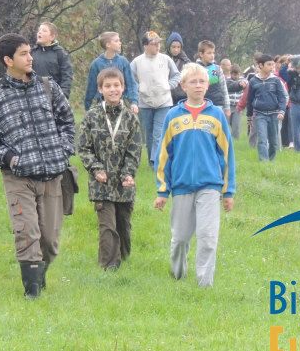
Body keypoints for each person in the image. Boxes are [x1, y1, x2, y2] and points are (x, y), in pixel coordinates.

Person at [0, 33, 75, 298]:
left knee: (50, 241)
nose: (30, 58)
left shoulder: (49, 88)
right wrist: (9, 157)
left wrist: (63, 150)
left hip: (53, 175)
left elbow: (67, 121)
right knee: (27, 232)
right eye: (23, 54)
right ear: (8, 61)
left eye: (30, 52)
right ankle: (32, 292)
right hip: (19, 179)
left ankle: (39, 274)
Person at [154, 63, 235, 288]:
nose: (198, 85)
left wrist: (228, 191)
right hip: (181, 186)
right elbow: (163, 155)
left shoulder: (217, 116)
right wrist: (162, 190)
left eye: (202, 81)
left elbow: (227, 155)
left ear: (207, 85)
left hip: (210, 185)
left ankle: (204, 285)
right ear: (183, 86)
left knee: (208, 238)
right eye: (193, 82)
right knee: (180, 238)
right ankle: (178, 276)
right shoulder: (173, 116)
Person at [76, 68, 142, 270]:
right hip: (101, 183)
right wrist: (96, 169)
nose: (112, 89)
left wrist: (128, 173)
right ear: (100, 89)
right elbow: (83, 148)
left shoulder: (131, 118)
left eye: (116, 85)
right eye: (108, 86)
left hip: (124, 184)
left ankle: (124, 257)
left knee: (123, 224)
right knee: (107, 226)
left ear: (123, 87)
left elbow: (134, 150)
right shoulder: (92, 116)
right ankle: (108, 266)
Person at [130, 30, 181, 167]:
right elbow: (130, 79)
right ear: (145, 45)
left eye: (159, 43)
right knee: (149, 134)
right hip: (145, 102)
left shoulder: (166, 59)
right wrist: (139, 89)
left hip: (164, 102)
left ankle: (156, 161)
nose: (157, 46)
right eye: (154, 44)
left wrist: (168, 85)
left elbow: (177, 75)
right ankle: (151, 160)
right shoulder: (137, 62)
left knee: (158, 133)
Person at [245, 53, 287, 162]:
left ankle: (271, 161)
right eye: (269, 64)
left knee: (273, 142)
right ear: (260, 65)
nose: (272, 67)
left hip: (274, 114)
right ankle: (264, 162)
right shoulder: (253, 81)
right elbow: (250, 100)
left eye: (273, 65)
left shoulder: (276, 80)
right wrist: (249, 116)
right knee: (262, 139)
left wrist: (282, 111)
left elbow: (282, 97)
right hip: (260, 114)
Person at [84, 31, 138, 112]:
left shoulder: (123, 62)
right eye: (116, 41)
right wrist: (88, 107)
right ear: (108, 45)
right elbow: (91, 88)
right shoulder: (96, 64)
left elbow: (131, 83)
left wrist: (134, 102)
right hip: (102, 106)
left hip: (122, 104)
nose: (120, 43)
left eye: (119, 40)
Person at [31, 20, 73, 99]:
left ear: (52, 37)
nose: (39, 32)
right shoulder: (32, 52)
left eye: (44, 31)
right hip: (34, 94)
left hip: (53, 94)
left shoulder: (59, 53)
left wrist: (63, 95)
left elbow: (67, 75)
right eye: (39, 30)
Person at [196, 40, 230, 117]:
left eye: (213, 53)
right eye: (209, 53)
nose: (212, 56)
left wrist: (227, 107)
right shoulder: (194, 69)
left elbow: (224, 89)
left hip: (217, 105)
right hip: (199, 106)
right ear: (201, 54)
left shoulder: (217, 69)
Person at [167, 32, 192, 104]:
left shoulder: (186, 61)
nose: (176, 50)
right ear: (169, 47)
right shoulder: (163, 59)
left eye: (178, 47)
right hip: (167, 96)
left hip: (183, 97)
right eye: (173, 47)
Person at [226, 66, 247, 140]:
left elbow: (246, 82)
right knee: (226, 124)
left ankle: (235, 140)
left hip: (238, 107)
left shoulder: (243, 80)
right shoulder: (227, 81)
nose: (236, 76)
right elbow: (231, 86)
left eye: (237, 74)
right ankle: (226, 139)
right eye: (234, 75)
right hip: (228, 106)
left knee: (236, 125)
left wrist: (243, 82)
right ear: (231, 74)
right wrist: (239, 84)